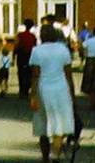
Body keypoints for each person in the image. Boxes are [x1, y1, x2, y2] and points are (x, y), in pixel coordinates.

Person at [29, 23, 76, 163]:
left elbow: (35, 75)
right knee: (59, 122)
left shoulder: (37, 51)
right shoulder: (63, 50)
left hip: (44, 88)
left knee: (43, 123)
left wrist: (32, 95)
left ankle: (45, 157)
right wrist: (72, 94)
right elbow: (68, 74)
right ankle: (56, 154)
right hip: (61, 87)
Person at [15, 19, 37, 98]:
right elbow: (35, 47)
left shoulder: (20, 35)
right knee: (29, 73)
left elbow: (16, 45)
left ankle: (21, 90)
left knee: (21, 72)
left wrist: (14, 55)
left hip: (21, 55)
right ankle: (26, 90)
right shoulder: (33, 36)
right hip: (30, 55)